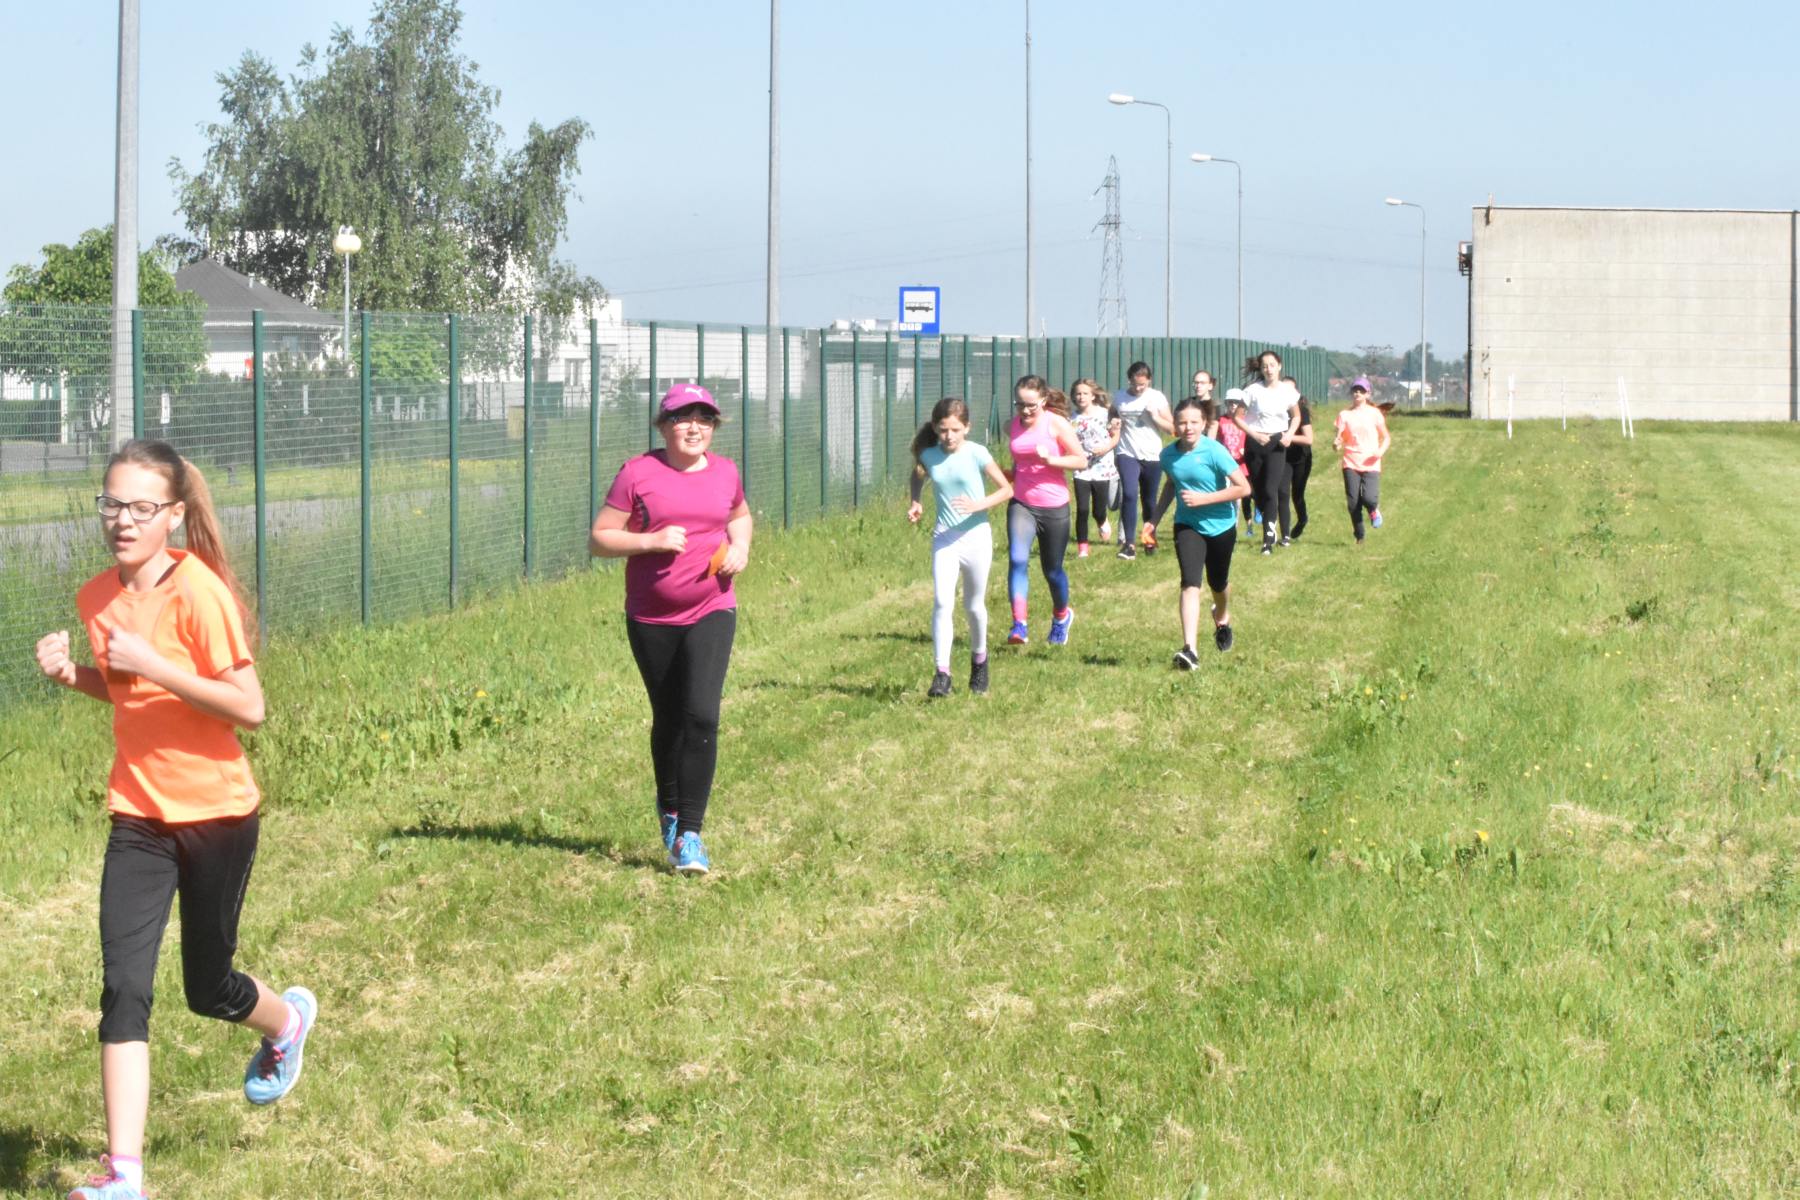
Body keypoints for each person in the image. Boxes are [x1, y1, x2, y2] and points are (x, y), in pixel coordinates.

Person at [35, 439, 315, 1200]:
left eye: (141, 507)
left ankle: (285, 1023)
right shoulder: (97, 597)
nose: (123, 521)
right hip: (138, 815)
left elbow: (248, 707)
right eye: (112, 504)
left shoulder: (198, 592)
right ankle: (123, 1177)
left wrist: (155, 662)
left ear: (174, 515)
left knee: (208, 987)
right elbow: (129, 694)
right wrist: (74, 675)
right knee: (124, 986)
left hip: (218, 815)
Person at [589, 384, 752, 875]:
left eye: (705, 419)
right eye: (683, 418)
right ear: (663, 426)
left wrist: (741, 548)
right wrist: (652, 540)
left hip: (713, 605)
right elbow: (599, 539)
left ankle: (690, 836)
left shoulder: (725, 472)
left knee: (702, 714)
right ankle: (670, 806)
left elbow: (740, 517)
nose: (694, 427)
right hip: (651, 617)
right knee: (669, 717)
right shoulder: (638, 473)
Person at [907, 397, 1013, 697]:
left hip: (976, 538)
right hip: (945, 538)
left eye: (955, 430)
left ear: (967, 427)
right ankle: (942, 674)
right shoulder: (928, 455)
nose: (949, 436)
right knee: (942, 602)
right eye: (943, 430)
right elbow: (917, 476)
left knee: (973, 606)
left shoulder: (977, 453)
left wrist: (978, 505)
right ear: (935, 428)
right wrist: (915, 501)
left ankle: (980, 660)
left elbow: (1007, 489)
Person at [1144, 399, 1251, 664]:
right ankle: (1190, 650)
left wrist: (1204, 499)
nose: (1188, 427)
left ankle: (1222, 616)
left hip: (1221, 525)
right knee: (1190, 582)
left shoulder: (1215, 451)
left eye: (1194, 422)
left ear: (1204, 423)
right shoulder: (1168, 456)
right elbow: (1172, 484)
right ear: (1174, 425)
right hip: (1187, 524)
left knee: (1218, 583)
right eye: (1182, 422)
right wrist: (1154, 520)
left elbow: (1244, 488)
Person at [1004, 375, 1088, 646]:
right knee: (1017, 559)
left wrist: (1050, 459)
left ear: (1043, 400)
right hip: (1022, 504)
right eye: (1020, 404)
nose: (1025, 410)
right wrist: (1008, 473)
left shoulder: (1056, 423)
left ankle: (1062, 616)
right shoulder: (1012, 425)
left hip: (1054, 506)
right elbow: (1019, 459)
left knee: (1052, 570)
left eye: (1031, 405)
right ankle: (1019, 625)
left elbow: (1081, 461)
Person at [1240, 350, 1302, 555]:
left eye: (1272, 365)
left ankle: (1268, 537)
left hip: (1276, 444)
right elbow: (1237, 417)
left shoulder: (1287, 391)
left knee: (1270, 489)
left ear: (1279, 366)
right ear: (1261, 368)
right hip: (1255, 443)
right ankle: (1269, 520)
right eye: (1265, 366)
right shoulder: (1252, 390)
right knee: (1258, 492)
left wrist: (1289, 434)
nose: (1268, 369)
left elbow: (1296, 417)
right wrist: (1254, 434)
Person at [1109, 361, 1172, 560]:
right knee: (1129, 494)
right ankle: (1129, 545)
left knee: (1149, 500)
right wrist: (1113, 423)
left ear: (1149, 381)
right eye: (1134, 384)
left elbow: (1172, 428)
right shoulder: (1120, 397)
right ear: (1129, 380)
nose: (1138, 389)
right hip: (1126, 452)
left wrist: (1155, 416)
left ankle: (1149, 539)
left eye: (1142, 385)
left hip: (1152, 454)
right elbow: (1112, 415)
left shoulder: (1156, 398)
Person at [1334, 376, 1392, 544]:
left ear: (1368, 394)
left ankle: (1373, 510)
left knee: (1369, 498)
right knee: (1353, 503)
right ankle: (1360, 536)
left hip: (1371, 462)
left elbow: (1386, 437)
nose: (1357, 393)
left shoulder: (1375, 414)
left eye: (1361, 390)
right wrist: (1336, 444)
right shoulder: (1344, 415)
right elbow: (1339, 439)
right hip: (1350, 461)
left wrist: (1380, 451)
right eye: (1355, 390)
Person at [1068, 378, 1120, 558]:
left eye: (1085, 393)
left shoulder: (1105, 414)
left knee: (1098, 509)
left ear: (1093, 396)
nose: (1081, 397)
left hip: (1102, 466)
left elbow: (1115, 436)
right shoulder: (1071, 418)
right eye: (1078, 394)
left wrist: (1105, 448)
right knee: (1082, 509)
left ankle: (1102, 520)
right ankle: (1083, 547)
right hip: (1081, 468)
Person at [1215, 391, 1252, 536]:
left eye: (1236, 402)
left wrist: (1246, 450)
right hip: (1225, 463)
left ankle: (1235, 527)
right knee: (1225, 494)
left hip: (1240, 464)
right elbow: (1217, 440)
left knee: (1238, 498)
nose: (1233, 405)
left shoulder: (1245, 421)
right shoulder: (1221, 421)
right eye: (1230, 402)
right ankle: (1226, 525)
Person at [1283, 386, 1316, 542]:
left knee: (1297, 494)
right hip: (1282, 457)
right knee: (1282, 493)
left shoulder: (1302, 411)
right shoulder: (1276, 411)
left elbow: (1308, 439)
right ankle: (1283, 531)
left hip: (1301, 458)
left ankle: (1302, 519)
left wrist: (1287, 436)